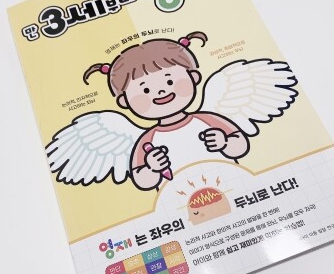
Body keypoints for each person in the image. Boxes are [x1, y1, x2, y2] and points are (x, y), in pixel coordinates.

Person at [83, 31, 249, 190]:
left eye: (169, 81)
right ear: (124, 101)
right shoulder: (148, 140)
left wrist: (225, 143)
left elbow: (241, 145)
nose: (161, 91)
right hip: (178, 197)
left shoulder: (207, 120)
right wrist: (151, 168)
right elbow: (142, 181)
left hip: (231, 182)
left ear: (193, 77)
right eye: (146, 90)